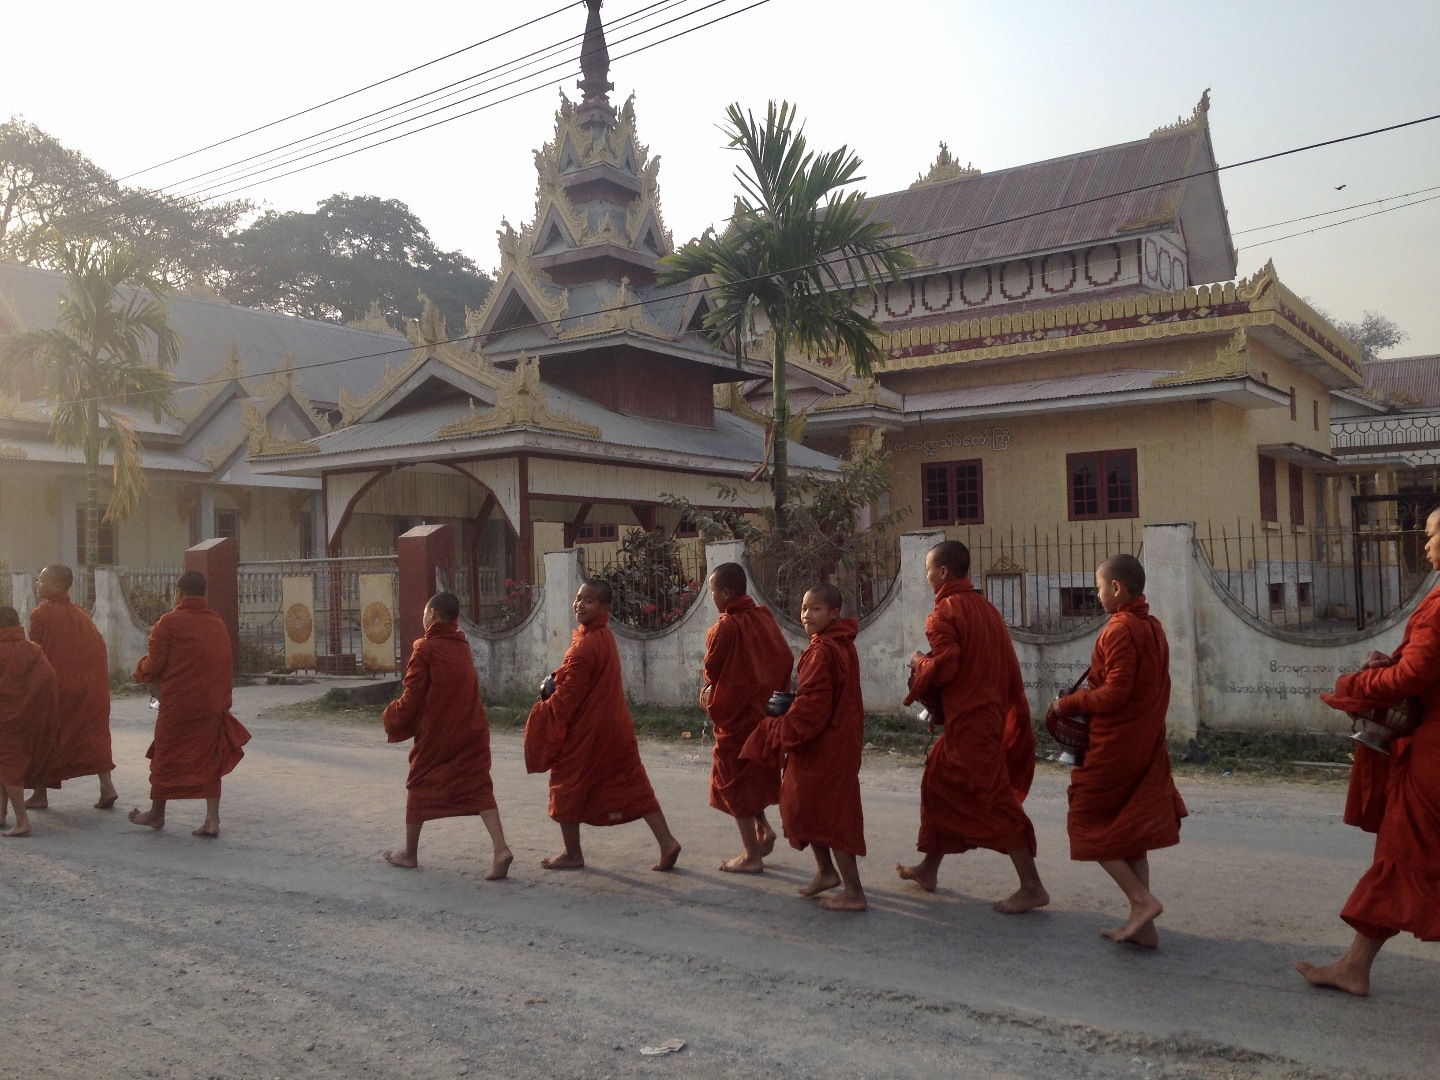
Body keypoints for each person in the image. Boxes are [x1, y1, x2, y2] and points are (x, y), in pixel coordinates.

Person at [1296, 505, 1440, 996]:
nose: (1425, 543)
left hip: (1433, 756)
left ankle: (1354, 967)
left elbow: (1416, 675)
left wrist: (1364, 682)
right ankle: (1355, 966)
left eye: (1433, 533)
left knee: (1403, 855)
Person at [897, 540, 1049, 914]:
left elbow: (945, 668)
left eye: (929, 570)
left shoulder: (943, 614)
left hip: (972, 723)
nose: (928, 576)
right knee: (937, 785)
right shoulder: (986, 608)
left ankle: (1032, 886)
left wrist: (919, 663)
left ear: (943, 573)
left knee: (994, 798)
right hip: (986, 715)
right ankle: (928, 869)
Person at [1050, 553, 1187, 948]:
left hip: (1116, 742)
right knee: (1131, 833)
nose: (1095, 594)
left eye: (1097, 586)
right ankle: (1143, 926)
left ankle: (1142, 901)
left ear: (1115, 587)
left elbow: (1114, 694)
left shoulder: (1119, 630)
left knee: (1085, 821)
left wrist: (1068, 704)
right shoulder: (1152, 626)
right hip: (1145, 741)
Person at [523, 578, 681, 872]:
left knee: (565, 785)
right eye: (579, 598)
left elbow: (569, 698)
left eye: (589, 601)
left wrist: (542, 708)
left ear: (604, 607)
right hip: (616, 728)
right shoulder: (603, 637)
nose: (580, 605)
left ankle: (573, 854)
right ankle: (667, 841)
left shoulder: (584, 647)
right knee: (634, 785)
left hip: (590, 734)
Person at [742, 584, 867, 912]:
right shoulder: (834, 645)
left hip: (825, 745)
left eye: (816, 609)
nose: (807, 615)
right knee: (804, 807)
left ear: (834, 613)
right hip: (832, 741)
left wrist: (780, 730)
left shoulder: (824, 650)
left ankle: (854, 892)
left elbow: (813, 706)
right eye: (804, 608)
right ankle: (826, 872)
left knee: (832, 815)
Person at [382, 591, 512, 879]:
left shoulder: (425, 648)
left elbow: (413, 696)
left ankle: (409, 854)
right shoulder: (461, 644)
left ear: (433, 615)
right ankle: (501, 848)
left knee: (419, 784)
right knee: (479, 787)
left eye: (425, 612)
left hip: (440, 734)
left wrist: (392, 715)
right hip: (472, 729)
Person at [129, 570, 250, 837]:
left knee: (164, 756)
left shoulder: (168, 623)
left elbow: (154, 664)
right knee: (209, 759)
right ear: (202, 594)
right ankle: (212, 819)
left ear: (179, 593)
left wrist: (140, 670)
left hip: (178, 705)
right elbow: (224, 663)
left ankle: (157, 814)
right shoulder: (216, 621)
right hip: (212, 704)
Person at [699, 562, 794, 873]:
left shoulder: (725, 627)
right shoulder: (764, 616)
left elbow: (712, 670)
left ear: (726, 593)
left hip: (736, 717)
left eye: (713, 592)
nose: (712, 598)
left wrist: (711, 691)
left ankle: (751, 857)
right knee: (750, 775)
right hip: (762, 714)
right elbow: (784, 657)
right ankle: (762, 829)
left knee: (734, 782)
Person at [25, 564, 117, 811]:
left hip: (58, 688)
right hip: (89, 688)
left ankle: (40, 794)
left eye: (42, 579)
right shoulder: (80, 614)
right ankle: (107, 787)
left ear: (57, 586)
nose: (37, 583)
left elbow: (36, 653)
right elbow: (98, 650)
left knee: (45, 737)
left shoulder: (41, 614)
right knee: (93, 738)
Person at [0, 606, 57, 838]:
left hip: (6, 718)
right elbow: (48, 679)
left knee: (9, 767)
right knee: (3, 766)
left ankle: (22, 820)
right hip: (25, 718)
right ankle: (1, 813)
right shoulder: (32, 650)